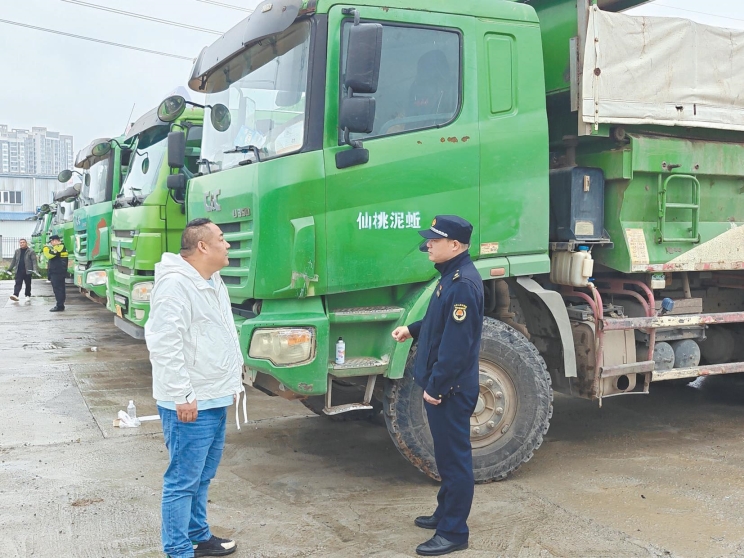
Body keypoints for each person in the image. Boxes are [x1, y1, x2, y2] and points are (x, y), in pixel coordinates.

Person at [145, 218, 244, 558]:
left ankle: (198, 537)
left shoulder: (212, 280)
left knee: (201, 476)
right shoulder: (175, 285)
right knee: (182, 481)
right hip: (191, 402)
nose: (227, 245)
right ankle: (177, 550)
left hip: (214, 395)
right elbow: (164, 344)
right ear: (203, 246)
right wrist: (182, 395)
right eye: (221, 238)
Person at [391, 215, 484, 557]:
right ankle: (445, 513)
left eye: (435, 239)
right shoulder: (450, 276)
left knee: (455, 461)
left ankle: (454, 532)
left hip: (451, 390)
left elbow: (457, 347)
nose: (427, 244)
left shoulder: (462, 285)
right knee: (446, 457)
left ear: (455, 245)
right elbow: (438, 320)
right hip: (445, 387)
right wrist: (412, 329)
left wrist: (437, 387)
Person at [43, 234, 68, 312]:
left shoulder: (59, 247)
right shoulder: (59, 247)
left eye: (51, 241)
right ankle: (60, 304)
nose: (51, 243)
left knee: (58, 289)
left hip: (58, 272)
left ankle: (60, 306)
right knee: (59, 289)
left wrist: (45, 248)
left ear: (55, 241)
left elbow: (49, 255)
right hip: (57, 271)